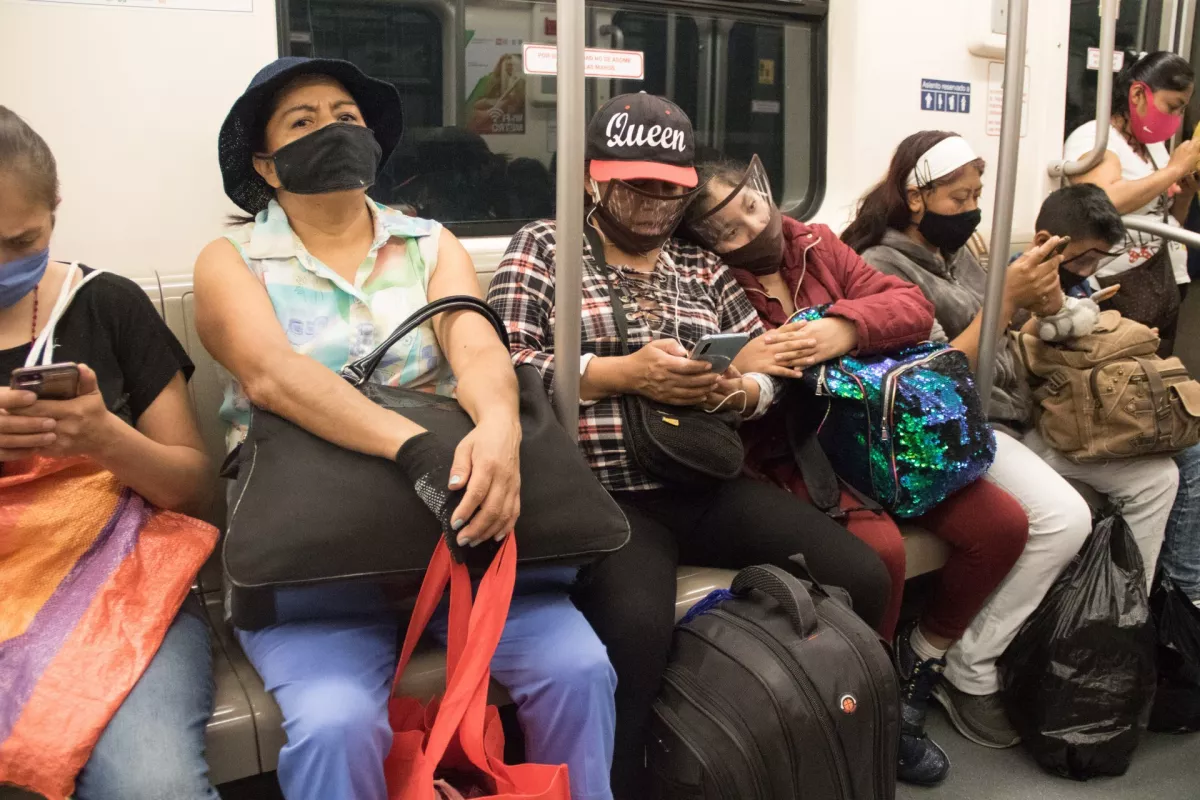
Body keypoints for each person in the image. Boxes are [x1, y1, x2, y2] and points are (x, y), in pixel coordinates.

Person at [193, 58, 616, 800]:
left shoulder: (430, 244)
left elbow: (475, 343)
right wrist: (410, 445)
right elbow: (271, 375)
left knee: (580, 670)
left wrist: (498, 426)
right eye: (302, 122)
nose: (332, 130)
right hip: (311, 559)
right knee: (335, 724)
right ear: (265, 162)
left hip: (452, 535)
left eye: (346, 117)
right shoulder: (231, 261)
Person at [487, 92, 892, 798]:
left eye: (669, 192)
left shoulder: (699, 268)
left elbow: (765, 369)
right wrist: (623, 373)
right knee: (635, 636)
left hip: (702, 476)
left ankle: (801, 728)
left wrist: (730, 393)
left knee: (862, 573)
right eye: (633, 186)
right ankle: (627, 781)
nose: (650, 206)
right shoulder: (543, 247)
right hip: (603, 493)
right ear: (592, 178)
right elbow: (507, 363)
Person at [681, 155, 1029, 785]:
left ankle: (921, 658)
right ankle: (874, 702)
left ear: (764, 192)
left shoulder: (815, 244)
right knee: (882, 553)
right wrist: (770, 368)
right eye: (728, 230)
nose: (753, 229)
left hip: (880, 434)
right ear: (705, 241)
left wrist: (843, 330)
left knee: (1001, 526)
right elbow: (746, 394)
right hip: (793, 449)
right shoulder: (708, 281)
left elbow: (909, 306)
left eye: (753, 208)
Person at [846, 131, 1179, 750]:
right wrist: (1008, 303)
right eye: (957, 195)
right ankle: (968, 666)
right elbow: (927, 382)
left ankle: (1105, 627)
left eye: (977, 193)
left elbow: (1017, 329)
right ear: (916, 198)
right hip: (955, 431)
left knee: (1157, 479)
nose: (971, 207)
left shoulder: (964, 252)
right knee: (1062, 517)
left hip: (1016, 412)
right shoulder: (882, 266)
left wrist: (1052, 304)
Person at [0, 107, 218, 797]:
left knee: (155, 786)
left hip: (123, 590)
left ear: (55, 213)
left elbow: (193, 489)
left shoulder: (108, 306)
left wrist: (104, 439)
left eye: (21, 239)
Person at [1036, 183, 1200, 608]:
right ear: (1048, 243)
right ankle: (1175, 595)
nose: (1091, 268)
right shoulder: (1028, 283)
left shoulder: (1077, 281)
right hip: (1053, 420)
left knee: (1188, 436)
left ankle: (1165, 590)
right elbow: (1040, 358)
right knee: (1173, 466)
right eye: (1086, 258)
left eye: (1100, 259)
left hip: (1088, 404)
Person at [1064, 51, 1200, 351]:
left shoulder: (1154, 148)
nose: (1176, 119)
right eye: (1172, 107)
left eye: (1182, 111)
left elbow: (1169, 217)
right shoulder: (1095, 140)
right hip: (1116, 285)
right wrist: (1174, 169)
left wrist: (1186, 190)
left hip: (1165, 278)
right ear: (1138, 93)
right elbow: (1105, 200)